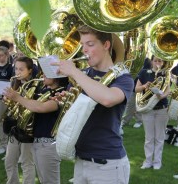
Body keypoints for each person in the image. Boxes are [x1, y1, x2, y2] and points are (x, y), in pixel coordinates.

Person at [53, 25, 134, 184]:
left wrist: (74, 72)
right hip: (81, 159)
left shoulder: (123, 78)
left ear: (106, 45)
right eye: (82, 45)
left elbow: (108, 99)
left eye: (90, 44)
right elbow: (79, 111)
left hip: (108, 164)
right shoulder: (83, 76)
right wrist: (66, 101)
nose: (84, 50)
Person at [4, 74, 68, 184]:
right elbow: (30, 106)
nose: (43, 75)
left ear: (57, 77)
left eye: (47, 73)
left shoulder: (61, 93)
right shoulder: (43, 90)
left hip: (49, 144)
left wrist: (17, 97)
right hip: (38, 142)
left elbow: (40, 107)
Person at [4, 56, 36, 184]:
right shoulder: (15, 83)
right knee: (9, 160)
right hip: (14, 126)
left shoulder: (35, 85)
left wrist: (17, 99)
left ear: (30, 70)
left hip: (27, 129)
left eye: (21, 69)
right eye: (16, 69)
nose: (17, 72)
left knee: (27, 162)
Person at [135, 55, 170, 170]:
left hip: (161, 108)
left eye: (160, 61)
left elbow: (168, 91)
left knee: (159, 137)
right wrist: (145, 86)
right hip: (148, 108)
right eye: (155, 61)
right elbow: (136, 89)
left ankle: (157, 162)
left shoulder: (165, 74)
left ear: (163, 61)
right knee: (149, 137)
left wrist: (161, 96)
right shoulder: (144, 72)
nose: (157, 63)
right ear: (151, 61)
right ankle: (148, 161)